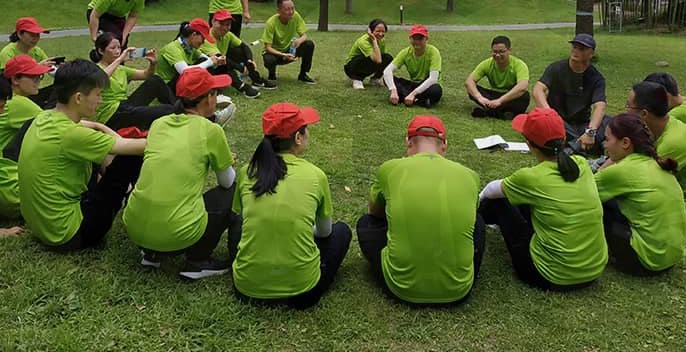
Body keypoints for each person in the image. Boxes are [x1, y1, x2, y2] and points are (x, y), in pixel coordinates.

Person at [231, 103, 351, 309]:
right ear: (298, 137)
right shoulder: (315, 175)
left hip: (246, 288)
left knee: (239, 224)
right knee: (341, 231)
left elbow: (242, 218)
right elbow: (325, 232)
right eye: (306, 129)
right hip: (303, 292)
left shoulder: (247, 171)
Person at [123, 68, 240, 280]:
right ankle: (197, 261)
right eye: (216, 93)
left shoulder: (159, 124)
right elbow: (227, 181)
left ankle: (151, 253)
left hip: (134, 228)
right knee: (233, 191)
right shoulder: (211, 130)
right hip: (177, 235)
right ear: (208, 98)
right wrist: (225, 161)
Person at [18, 59, 146, 250]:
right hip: (69, 235)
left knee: (96, 150)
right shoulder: (72, 134)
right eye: (98, 94)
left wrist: (102, 127)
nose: (100, 100)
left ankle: (130, 194)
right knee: (129, 158)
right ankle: (143, 208)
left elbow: (93, 127)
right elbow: (137, 147)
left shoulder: (45, 117)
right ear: (78, 98)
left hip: (43, 227)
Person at [356, 115, 485, 304]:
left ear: (408, 142)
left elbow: (375, 212)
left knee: (366, 223)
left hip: (400, 287)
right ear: (444, 144)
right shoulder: (470, 175)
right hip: (458, 289)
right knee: (477, 220)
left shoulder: (390, 168)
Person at [479, 108, 608, 290]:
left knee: (498, 201)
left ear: (528, 144)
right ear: (564, 138)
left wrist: (478, 200)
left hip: (550, 275)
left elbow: (491, 189)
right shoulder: (582, 165)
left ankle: (472, 223)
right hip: (593, 271)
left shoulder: (531, 177)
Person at [594, 113, 686, 275]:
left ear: (625, 143)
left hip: (646, 262)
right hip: (671, 257)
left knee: (597, 206)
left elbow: (583, 193)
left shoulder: (623, 170)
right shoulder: (657, 163)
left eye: (607, 139)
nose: (605, 145)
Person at [533, 33, 608, 154]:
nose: (576, 51)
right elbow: (538, 89)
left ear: (592, 54)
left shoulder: (596, 78)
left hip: (580, 123)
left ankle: (573, 144)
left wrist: (590, 132)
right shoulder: (556, 68)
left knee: (609, 121)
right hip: (555, 120)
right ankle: (581, 145)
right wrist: (549, 113)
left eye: (582, 49)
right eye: (574, 47)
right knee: (536, 119)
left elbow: (600, 106)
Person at [626, 81, 686, 218]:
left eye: (628, 106)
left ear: (644, 113)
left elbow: (640, 180)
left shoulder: (672, 143)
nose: (626, 111)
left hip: (683, 206)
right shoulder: (662, 126)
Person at [0, 56, 52, 219]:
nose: (38, 81)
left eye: (39, 76)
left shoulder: (12, 101)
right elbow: (59, 124)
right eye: (33, 77)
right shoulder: (17, 103)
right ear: (15, 79)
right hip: (10, 181)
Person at [89, 32, 174, 130]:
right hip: (111, 115)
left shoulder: (120, 69)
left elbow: (146, 75)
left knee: (155, 80)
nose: (117, 51)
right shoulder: (94, 69)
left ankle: (182, 108)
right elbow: (101, 78)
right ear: (101, 51)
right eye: (113, 48)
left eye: (119, 48)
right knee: (167, 110)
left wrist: (153, 64)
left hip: (125, 106)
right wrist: (120, 59)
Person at [201, 9, 275, 99]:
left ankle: (257, 80)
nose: (225, 27)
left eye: (228, 24)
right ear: (213, 21)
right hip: (207, 69)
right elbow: (219, 58)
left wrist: (250, 60)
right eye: (221, 23)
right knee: (223, 64)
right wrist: (240, 67)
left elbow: (244, 47)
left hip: (220, 64)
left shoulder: (228, 35)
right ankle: (240, 87)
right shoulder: (207, 37)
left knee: (238, 52)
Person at [465, 35, 529, 119]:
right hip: (493, 96)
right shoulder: (487, 64)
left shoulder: (519, 64)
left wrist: (500, 101)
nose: (498, 55)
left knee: (524, 95)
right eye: (495, 52)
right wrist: (480, 98)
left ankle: (489, 112)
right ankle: (503, 114)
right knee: (472, 90)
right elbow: (469, 81)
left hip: (509, 97)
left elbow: (522, 86)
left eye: (501, 52)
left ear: (509, 50)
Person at [1, 17, 61, 107]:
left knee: (62, 88)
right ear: (19, 34)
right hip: (13, 96)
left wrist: (62, 70)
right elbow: (6, 80)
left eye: (38, 35)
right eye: (32, 35)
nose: (36, 38)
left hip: (29, 93)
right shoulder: (7, 53)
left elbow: (50, 69)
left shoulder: (36, 50)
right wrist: (38, 66)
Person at [156, 19, 225, 92]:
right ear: (193, 35)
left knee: (204, 62)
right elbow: (184, 71)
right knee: (202, 64)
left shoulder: (190, 47)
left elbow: (206, 60)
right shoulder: (173, 48)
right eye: (203, 38)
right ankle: (210, 92)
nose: (203, 42)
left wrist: (216, 61)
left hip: (178, 83)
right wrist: (210, 62)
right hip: (165, 87)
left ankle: (211, 92)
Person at [383, 25, 442, 108]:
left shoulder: (433, 52)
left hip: (427, 85)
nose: (417, 41)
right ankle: (420, 101)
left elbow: (433, 79)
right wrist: (393, 90)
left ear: (426, 39)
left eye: (420, 39)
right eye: (414, 38)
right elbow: (387, 71)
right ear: (410, 39)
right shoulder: (406, 52)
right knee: (387, 78)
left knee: (436, 89)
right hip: (413, 84)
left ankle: (406, 97)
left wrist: (413, 94)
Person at [261, 0, 316, 85]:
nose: (291, 12)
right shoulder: (271, 23)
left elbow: (304, 35)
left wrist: (299, 41)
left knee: (309, 44)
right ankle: (272, 75)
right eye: (287, 9)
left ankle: (303, 75)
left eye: (292, 8)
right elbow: (268, 48)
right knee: (269, 59)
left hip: (289, 50)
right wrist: (283, 55)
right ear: (278, 11)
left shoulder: (295, 16)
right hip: (275, 54)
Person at [343, 19, 393, 89]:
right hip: (351, 67)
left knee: (387, 57)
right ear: (371, 31)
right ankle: (357, 80)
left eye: (383, 31)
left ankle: (375, 79)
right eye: (378, 31)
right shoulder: (363, 41)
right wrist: (374, 41)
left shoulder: (382, 40)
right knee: (361, 58)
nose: (380, 34)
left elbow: (380, 58)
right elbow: (378, 60)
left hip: (367, 64)